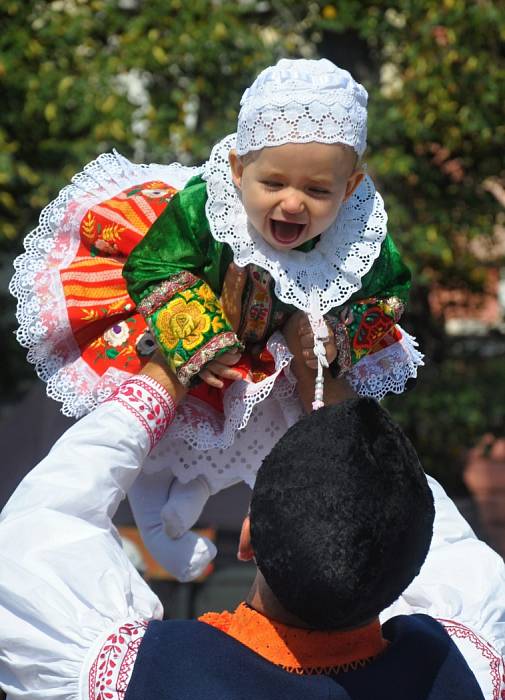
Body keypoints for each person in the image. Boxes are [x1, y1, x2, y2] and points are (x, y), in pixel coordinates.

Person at [0, 355, 504, 700]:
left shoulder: (123, 692)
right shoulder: (476, 689)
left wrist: (168, 371)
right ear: (409, 569)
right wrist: (321, 387)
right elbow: (429, 531)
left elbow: (39, 525)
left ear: (247, 538)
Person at [10, 57, 423, 581]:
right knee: (159, 426)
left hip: (276, 352)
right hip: (194, 329)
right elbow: (154, 262)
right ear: (237, 170)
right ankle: (157, 526)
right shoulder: (206, 206)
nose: (293, 203)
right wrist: (198, 333)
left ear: (349, 187)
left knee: (262, 436)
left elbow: (389, 296)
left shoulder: (360, 232)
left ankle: (189, 508)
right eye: (272, 183)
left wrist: (338, 340)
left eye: (318, 191)